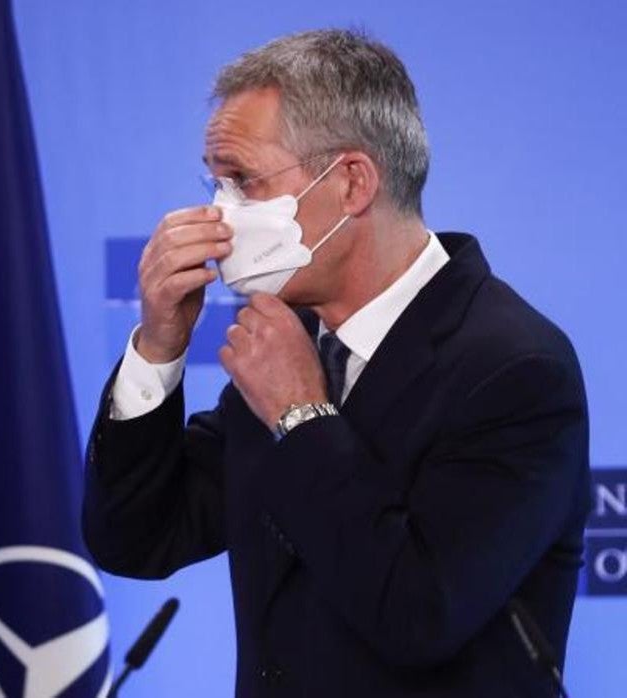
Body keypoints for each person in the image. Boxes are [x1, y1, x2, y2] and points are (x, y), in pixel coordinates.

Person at [82, 29, 589, 696]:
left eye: (244, 180)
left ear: (352, 182)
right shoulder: (295, 338)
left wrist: (302, 416)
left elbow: (420, 615)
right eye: (214, 182)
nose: (218, 214)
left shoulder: (516, 369)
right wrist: (158, 348)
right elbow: (137, 539)